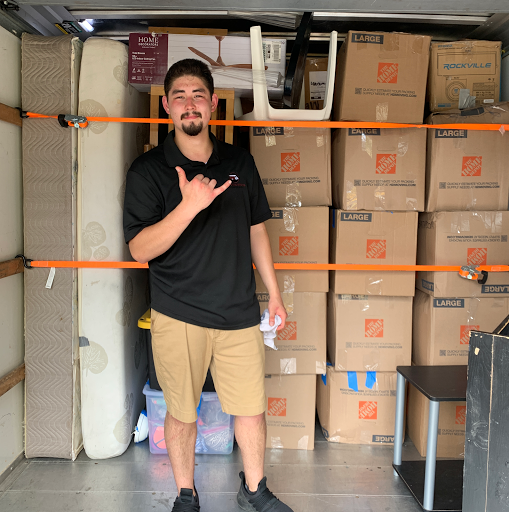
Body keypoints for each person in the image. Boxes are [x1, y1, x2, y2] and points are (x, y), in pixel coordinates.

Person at [123, 59, 292, 512]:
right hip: (178, 312)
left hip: (239, 311)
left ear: (213, 104)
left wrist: (275, 294)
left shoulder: (240, 162)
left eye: (198, 95)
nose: (189, 103)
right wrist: (189, 206)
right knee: (181, 412)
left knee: (250, 408)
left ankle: (254, 489)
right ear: (167, 106)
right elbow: (139, 249)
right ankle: (186, 494)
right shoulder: (148, 171)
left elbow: (256, 229)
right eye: (179, 96)